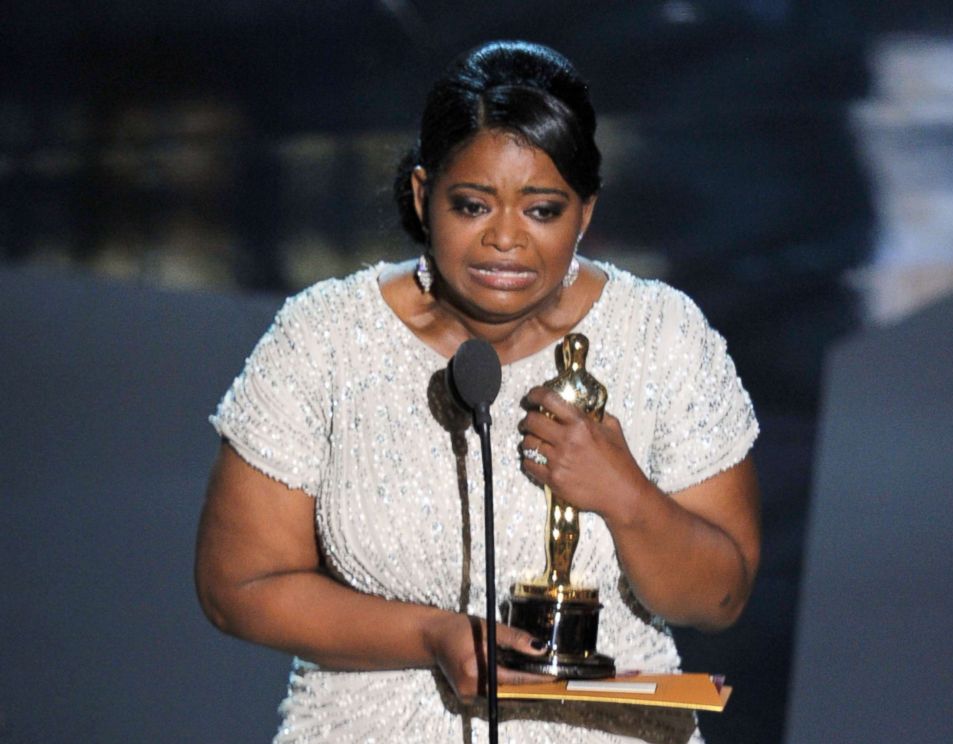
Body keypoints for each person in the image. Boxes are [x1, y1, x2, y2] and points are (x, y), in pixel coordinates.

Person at [195, 40, 760, 744]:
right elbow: (238, 587)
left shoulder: (664, 335)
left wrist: (626, 496)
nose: (505, 240)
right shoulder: (325, 337)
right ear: (422, 193)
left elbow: (720, 598)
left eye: (542, 211)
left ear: (584, 214)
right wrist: (432, 635)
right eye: (472, 204)